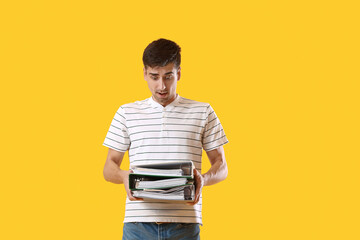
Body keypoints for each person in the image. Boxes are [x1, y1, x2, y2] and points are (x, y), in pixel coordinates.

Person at [102, 38, 229, 240]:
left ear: (178, 73)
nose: (161, 85)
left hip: (184, 226)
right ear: (144, 73)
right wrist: (124, 177)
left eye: (168, 76)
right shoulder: (126, 112)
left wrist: (203, 180)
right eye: (154, 76)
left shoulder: (203, 111)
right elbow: (109, 167)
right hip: (138, 227)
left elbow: (221, 166)